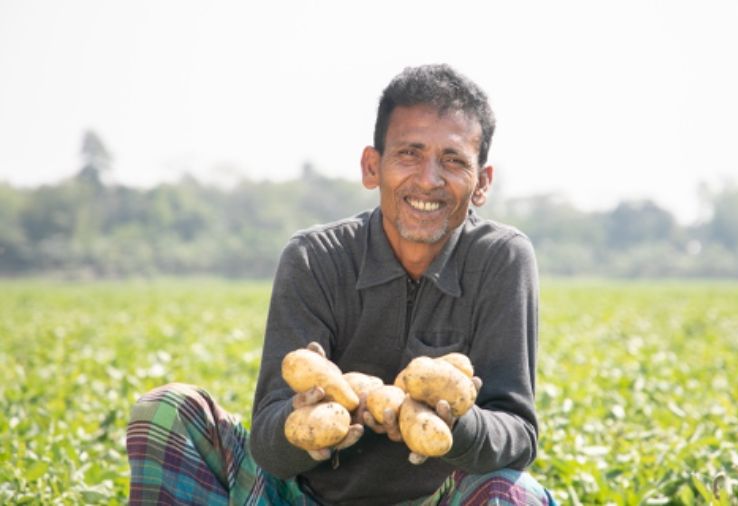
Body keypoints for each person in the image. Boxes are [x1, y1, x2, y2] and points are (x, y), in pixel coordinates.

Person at [127, 64, 556, 505]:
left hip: (437, 499)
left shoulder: (500, 259)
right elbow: (268, 440)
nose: (428, 179)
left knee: (514, 493)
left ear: (481, 183)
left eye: (452, 160)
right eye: (409, 153)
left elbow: (518, 434)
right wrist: (310, 423)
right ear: (372, 167)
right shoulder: (315, 257)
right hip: (303, 498)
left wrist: (452, 421)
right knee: (166, 411)